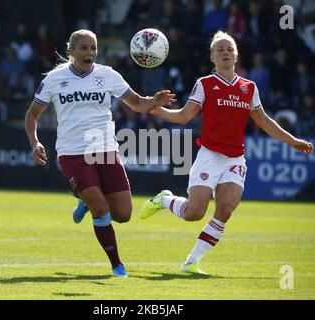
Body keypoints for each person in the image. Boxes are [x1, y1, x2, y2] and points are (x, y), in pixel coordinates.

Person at [139, 30, 313, 274]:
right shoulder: (205, 84)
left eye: (230, 49)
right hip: (209, 156)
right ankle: (165, 199)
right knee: (194, 213)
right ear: (212, 57)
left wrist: (292, 140)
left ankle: (191, 262)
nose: (225, 53)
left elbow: (264, 121)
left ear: (237, 55)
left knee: (225, 210)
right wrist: (157, 110)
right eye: (220, 50)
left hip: (235, 158)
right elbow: (183, 116)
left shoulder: (249, 88)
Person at [24, 29, 175, 277]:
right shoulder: (54, 79)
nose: (89, 53)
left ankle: (84, 198)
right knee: (100, 208)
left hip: (105, 150)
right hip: (72, 153)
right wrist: (35, 142)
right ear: (71, 51)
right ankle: (117, 265)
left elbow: (137, 103)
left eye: (93, 48)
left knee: (123, 215)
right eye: (83, 48)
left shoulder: (108, 75)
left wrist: (154, 99)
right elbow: (32, 115)